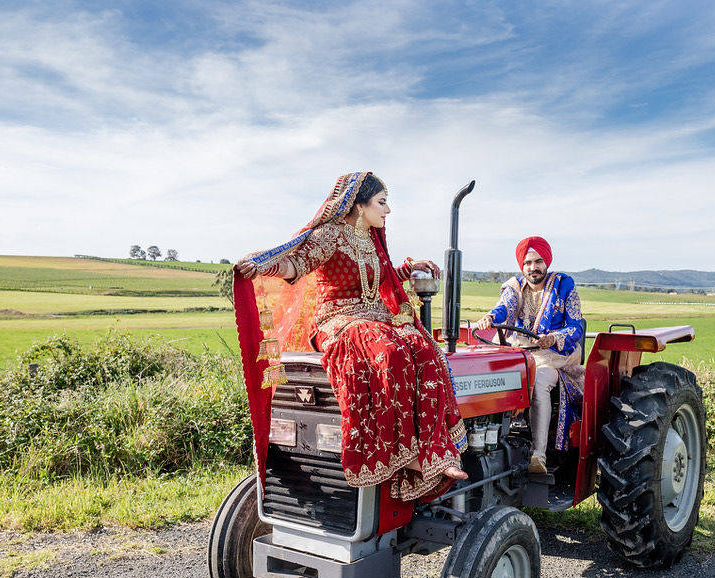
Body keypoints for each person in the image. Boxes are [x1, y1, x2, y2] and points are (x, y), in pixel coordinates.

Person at [235, 171, 467, 502]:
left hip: (374, 317)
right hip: (338, 321)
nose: (388, 211)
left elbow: (380, 279)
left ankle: (431, 448)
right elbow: (296, 265)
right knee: (390, 350)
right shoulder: (330, 236)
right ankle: (402, 453)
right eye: (382, 203)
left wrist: (410, 267)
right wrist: (264, 267)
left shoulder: (371, 239)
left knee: (423, 347)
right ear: (358, 205)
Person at [477, 237, 584, 474]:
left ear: (546, 262)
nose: (532, 267)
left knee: (538, 379)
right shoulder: (515, 287)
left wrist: (554, 337)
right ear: (521, 265)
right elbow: (504, 307)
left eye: (538, 262)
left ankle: (538, 455)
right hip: (520, 347)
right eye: (527, 263)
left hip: (554, 352)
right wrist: (492, 317)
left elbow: (575, 327)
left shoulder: (563, 285)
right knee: (488, 368)